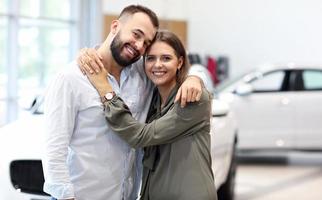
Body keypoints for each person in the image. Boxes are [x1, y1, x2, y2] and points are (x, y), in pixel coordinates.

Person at [42, 5, 203, 200]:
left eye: (146, 43)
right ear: (115, 26)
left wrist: (194, 78)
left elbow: (172, 67)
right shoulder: (70, 78)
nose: (139, 46)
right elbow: (54, 151)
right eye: (136, 34)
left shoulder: (142, 75)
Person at [82, 30, 218, 200]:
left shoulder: (193, 99)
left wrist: (105, 90)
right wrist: (87, 54)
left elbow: (140, 136)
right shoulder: (151, 99)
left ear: (180, 62)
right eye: (151, 58)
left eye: (166, 58)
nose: (157, 65)